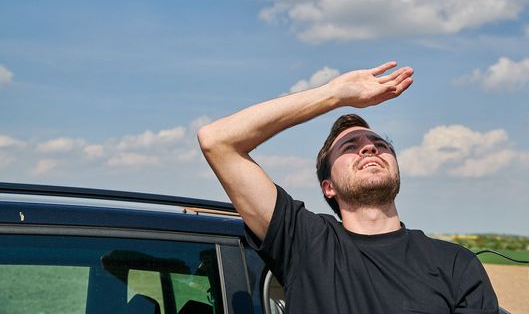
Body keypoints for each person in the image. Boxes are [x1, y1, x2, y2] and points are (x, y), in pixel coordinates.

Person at [198, 61, 499, 313]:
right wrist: (335, 94)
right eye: (350, 146)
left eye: (380, 144)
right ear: (328, 186)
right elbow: (218, 140)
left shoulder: (455, 263)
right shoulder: (306, 243)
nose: (369, 147)